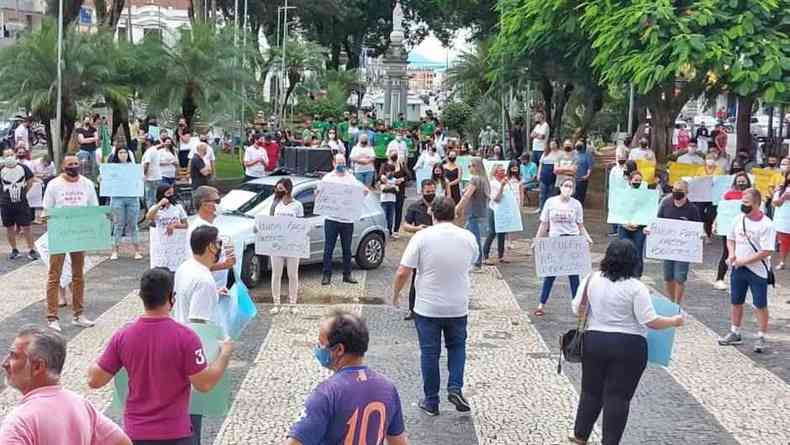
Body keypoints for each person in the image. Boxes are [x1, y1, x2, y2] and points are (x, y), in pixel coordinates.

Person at [88, 267, 233, 445]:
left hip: (136, 433)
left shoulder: (123, 336)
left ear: (141, 297)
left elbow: (94, 380)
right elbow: (204, 384)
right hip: (176, 433)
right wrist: (224, 354)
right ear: (172, 298)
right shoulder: (186, 337)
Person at [568, 240, 685, 445]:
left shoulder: (591, 279)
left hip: (594, 341)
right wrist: (674, 321)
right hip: (628, 346)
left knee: (590, 391)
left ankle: (580, 435)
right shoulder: (636, 288)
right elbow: (651, 321)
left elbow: (577, 309)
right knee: (618, 397)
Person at [393, 196, 478, 416]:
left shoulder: (422, 237)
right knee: (457, 347)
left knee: (429, 354)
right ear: (455, 214)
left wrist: (396, 294)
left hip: (427, 307)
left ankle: (431, 402)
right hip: (458, 305)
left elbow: (403, 271)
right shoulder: (468, 237)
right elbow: (472, 261)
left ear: (432, 214)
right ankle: (455, 386)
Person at [285, 310, 408, 445]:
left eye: (321, 344)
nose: (318, 348)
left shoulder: (326, 393)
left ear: (339, 350)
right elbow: (399, 442)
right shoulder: (388, 388)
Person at [0, 326, 130, 444]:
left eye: (14, 356)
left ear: (38, 366)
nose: (4, 363)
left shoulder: (18, 424)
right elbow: (122, 442)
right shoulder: (81, 405)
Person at [43, 155, 98, 332]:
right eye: (70, 164)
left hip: (79, 232)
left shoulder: (87, 184)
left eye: (76, 164)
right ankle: (52, 317)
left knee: (78, 275)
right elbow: (47, 210)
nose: (74, 167)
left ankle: (78, 314)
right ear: (62, 166)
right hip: (60, 231)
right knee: (54, 275)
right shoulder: (54, 184)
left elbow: (93, 208)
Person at [717, 188, 774, 353]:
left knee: (759, 304)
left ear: (757, 204)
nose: (743, 205)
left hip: (758, 271)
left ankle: (762, 335)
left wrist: (745, 261)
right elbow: (730, 239)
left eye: (747, 203)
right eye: (742, 202)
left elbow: (766, 251)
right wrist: (733, 255)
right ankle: (735, 331)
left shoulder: (767, 225)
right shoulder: (738, 219)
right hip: (738, 268)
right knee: (736, 301)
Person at [533, 178, 593, 316]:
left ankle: (577, 306)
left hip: (572, 241)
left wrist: (587, 238)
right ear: (560, 186)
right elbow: (544, 223)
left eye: (570, 186)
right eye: (565, 185)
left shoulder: (576, 204)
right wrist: (537, 239)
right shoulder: (551, 202)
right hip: (555, 240)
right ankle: (541, 304)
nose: (567, 188)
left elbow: (580, 225)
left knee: (574, 276)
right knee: (550, 274)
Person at [648, 180, 702, 304]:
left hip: (683, 250)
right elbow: (658, 221)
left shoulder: (692, 209)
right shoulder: (665, 203)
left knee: (680, 277)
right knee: (667, 276)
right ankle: (670, 301)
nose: (677, 193)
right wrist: (651, 231)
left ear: (687, 192)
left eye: (680, 191)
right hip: (667, 248)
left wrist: (699, 237)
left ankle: (677, 303)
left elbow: (698, 228)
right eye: (675, 190)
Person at [319, 154, 367, 286]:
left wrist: (363, 193)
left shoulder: (351, 178)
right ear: (333, 163)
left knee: (347, 249)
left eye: (343, 163)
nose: (341, 165)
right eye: (339, 163)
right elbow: (319, 194)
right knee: (328, 248)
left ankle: (347, 274)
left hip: (347, 220)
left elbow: (363, 190)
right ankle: (326, 275)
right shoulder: (328, 178)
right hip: (331, 219)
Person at [267, 178, 304, 315]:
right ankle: (276, 303)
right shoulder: (275, 204)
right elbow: (269, 222)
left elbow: (300, 224)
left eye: (281, 188)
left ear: (288, 189)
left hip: (292, 244)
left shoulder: (297, 205)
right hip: (277, 243)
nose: (278, 191)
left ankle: (293, 303)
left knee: (292, 275)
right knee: (276, 274)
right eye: (277, 188)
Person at [187, 186, 236, 290]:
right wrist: (225, 265)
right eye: (216, 201)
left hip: (218, 286)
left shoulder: (210, 226)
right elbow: (199, 263)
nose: (219, 204)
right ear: (204, 204)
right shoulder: (199, 230)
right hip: (208, 286)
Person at [401, 180, 436, 321]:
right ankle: (412, 308)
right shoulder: (414, 206)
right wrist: (417, 228)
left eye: (433, 191)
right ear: (422, 191)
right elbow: (405, 225)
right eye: (428, 192)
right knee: (416, 277)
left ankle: (432, 308)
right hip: (420, 246)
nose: (430, 194)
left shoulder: (440, 206)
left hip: (437, 246)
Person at [712, 173, 751, 290]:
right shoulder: (728, 194)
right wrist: (716, 222)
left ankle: (741, 280)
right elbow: (721, 211)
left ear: (748, 182)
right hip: (728, 228)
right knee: (727, 252)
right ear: (735, 182)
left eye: (743, 181)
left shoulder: (752, 194)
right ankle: (720, 279)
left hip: (746, 229)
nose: (741, 183)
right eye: (739, 181)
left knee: (744, 253)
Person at [1, 148, 37, 260]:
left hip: (21, 203)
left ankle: (31, 249)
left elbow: (31, 179)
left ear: (15, 155)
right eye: (7, 155)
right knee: (9, 227)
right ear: (3, 157)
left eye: (11, 154)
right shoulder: (1, 169)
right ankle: (14, 249)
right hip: (6, 203)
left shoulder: (23, 168)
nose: (9, 156)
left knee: (27, 226)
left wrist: (25, 190)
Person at [455, 157, 489, 271]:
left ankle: (477, 262)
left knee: (474, 238)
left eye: (471, 165)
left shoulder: (475, 179)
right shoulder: (483, 179)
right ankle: (472, 260)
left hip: (473, 212)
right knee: (470, 236)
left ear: (476, 167)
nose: (469, 168)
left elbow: (467, 196)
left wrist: (457, 208)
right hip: (478, 212)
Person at [109, 147, 143, 260]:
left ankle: (137, 250)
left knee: (133, 224)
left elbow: (140, 179)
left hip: (132, 197)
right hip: (117, 197)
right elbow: (106, 180)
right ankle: (114, 250)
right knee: (118, 224)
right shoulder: (112, 168)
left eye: (125, 152)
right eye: (120, 152)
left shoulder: (133, 167)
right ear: (116, 154)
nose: (123, 155)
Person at [617, 171, 647, 277]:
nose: (637, 182)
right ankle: (622, 274)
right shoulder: (622, 193)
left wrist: (638, 224)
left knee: (637, 252)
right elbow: (617, 210)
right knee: (623, 251)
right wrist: (624, 223)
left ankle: (637, 275)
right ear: (630, 181)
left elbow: (647, 211)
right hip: (624, 227)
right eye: (635, 180)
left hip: (639, 228)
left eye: (640, 180)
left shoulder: (645, 195)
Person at [482, 164, 511, 265]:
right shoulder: (493, 183)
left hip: (503, 210)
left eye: (504, 170)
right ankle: (485, 255)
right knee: (492, 232)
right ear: (496, 172)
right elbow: (496, 199)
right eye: (501, 171)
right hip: (494, 209)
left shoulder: (506, 182)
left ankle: (501, 256)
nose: (503, 172)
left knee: (502, 232)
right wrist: (502, 187)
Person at [772, 170, 790, 269]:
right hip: (784, 221)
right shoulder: (780, 190)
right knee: (784, 242)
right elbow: (775, 204)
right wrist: (783, 197)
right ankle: (782, 262)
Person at [536, 140, 559, 212]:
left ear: (557, 145)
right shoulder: (545, 153)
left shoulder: (559, 153)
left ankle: (550, 209)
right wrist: (538, 174)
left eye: (554, 144)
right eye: (551, 144)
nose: (552, 145)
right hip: (544, 175)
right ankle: (541, 208)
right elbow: (540, 164)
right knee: (542, 194)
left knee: (551, 194)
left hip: (553, 176)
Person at [75, 116, 100, 180]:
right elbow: (81, 141)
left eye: (88, 120)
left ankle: (94, 179)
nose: (87, 121)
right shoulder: (80, 130)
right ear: (83, 121)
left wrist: (86, 139)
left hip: (93, 150)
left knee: (94, 165)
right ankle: (82, 179)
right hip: (84, 150)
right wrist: (92, 139)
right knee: (83, 166)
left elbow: (96, 138)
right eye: (86, 120)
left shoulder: (93, 129)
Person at [141, 136, 162, 210]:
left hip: (151, 178)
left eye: (144, 141)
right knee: (152, 198)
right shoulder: (153, 149)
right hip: (154, 177)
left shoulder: (150, 151)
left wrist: (144, 174)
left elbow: (147, 163)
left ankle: (152, 216)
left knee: (150, 199)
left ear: (148, 142)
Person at [574, 140, 594, 205]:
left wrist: (587, 175)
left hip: (582, 179)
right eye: (577, 144)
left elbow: (590, 166)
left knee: (580, 196)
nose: (578, 146)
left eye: (580, 144)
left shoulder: (587, 155)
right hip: (572, 178)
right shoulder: (572, 153)